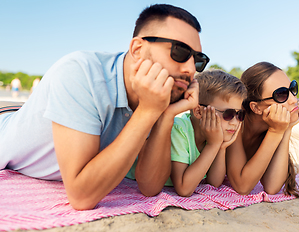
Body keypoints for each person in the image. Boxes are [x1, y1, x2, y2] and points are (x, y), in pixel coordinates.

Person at [0, 4, 210, 210]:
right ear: (138, 49)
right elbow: (82, 197)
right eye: (180, 51)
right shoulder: (81, 73)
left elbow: (150, 186)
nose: (191, 69)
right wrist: (147, 111)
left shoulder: (157, 95)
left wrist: (165, 114)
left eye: (198, 60)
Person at [226, 62, 299, 197]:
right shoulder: (235, 123)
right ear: (256, 108)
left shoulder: (272, 129)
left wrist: (287, 128)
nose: (293, 99)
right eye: (281, 94)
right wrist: (276, 132)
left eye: (292, 88)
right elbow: (242, 186)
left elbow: (272, 186)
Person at [164, 70, 247, 197]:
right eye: (228, 114)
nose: (235, 122)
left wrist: (221, 147)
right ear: (198, 111)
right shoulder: (179, 129)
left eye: (239, 114)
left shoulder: (212, 137)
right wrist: (213, 145)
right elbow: (183, 189)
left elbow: (214, 183)